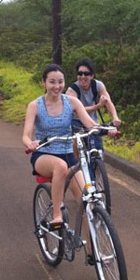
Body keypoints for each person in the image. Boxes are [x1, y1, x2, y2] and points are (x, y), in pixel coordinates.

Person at [23, 64, 97, 226]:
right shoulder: (35, 106)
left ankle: (93, 250)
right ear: (44, 83)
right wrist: (31, 143)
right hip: (43, 154)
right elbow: (26, 135)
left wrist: (107, 129)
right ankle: (57, 215)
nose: (57, 86)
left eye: (60, 82)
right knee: (61, 166)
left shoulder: (72, 102)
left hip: (68, 154)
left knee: (86, 201)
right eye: (52, 82)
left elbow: (90, 124)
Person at [65, 58, 121, 151]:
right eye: (80, 74)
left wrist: (115, 117)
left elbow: (108, 101)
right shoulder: (72, 91)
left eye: (86, 74)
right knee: (78, 140)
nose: (83, 76)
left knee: (99, 150)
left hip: (92, 121)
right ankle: (76, 162)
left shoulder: (98, 85)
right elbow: (77, 110)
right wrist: (98, 106)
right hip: (75, 121)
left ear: (91, 76)